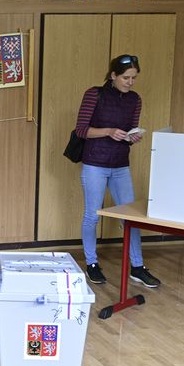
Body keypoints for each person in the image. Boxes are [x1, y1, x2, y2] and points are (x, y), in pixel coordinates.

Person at [75, 54, 161, 288]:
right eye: (125, 77)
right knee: (92, 215)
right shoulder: (95, 94)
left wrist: (133, 137)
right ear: (113, 76)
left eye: (134, 78)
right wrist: (109, 131)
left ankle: (137, 266)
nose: (130, 82)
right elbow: (81, 130)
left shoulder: (135, 99)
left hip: (121, 164)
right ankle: (92, 263)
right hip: (95, 163)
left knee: (130, 217)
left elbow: (130, 130)